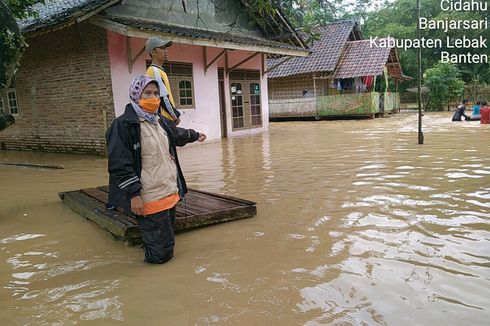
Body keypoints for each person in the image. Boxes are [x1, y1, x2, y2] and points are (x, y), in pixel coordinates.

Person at [106, 75, 206, 264]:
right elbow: (120, 164)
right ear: (136, 95)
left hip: (169, 192)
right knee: (162, 254)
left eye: (156, 94)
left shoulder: (158, 120)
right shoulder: (123, 125)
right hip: (148, 198)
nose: (153, 98)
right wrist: (134, 195)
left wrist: (195, 135)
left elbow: (177, 134)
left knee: (163, 243)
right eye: (147, 93)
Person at [145, 36, 181, 125]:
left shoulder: (159, 71)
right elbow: (163, 98)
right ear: (153, 52)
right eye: (161, 48)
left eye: (166, 48)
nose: (165, 51)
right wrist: (175, 115)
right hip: (164, 120)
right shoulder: (154, 71)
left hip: (165, 119)